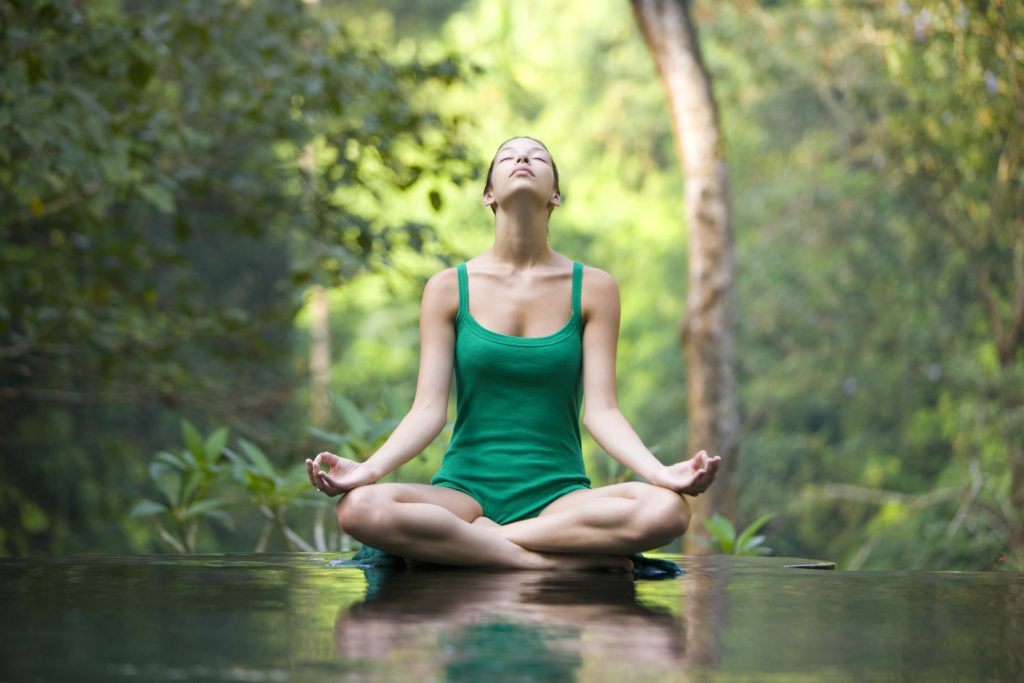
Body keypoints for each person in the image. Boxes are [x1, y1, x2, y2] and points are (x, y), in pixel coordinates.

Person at [306, 136, 721, 571]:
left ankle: (486, 543)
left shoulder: (594, 288)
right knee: (359, 508)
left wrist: (659, 473)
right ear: (489, 194)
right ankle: (549, 566)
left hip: (560, 499)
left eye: (537, 157)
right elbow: (427, 411)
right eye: (508, 156)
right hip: (463, 495)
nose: (523, 158)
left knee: (668, 510)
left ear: (555, 194)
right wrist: (368, 470)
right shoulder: (448, 288)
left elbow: (603, 413)